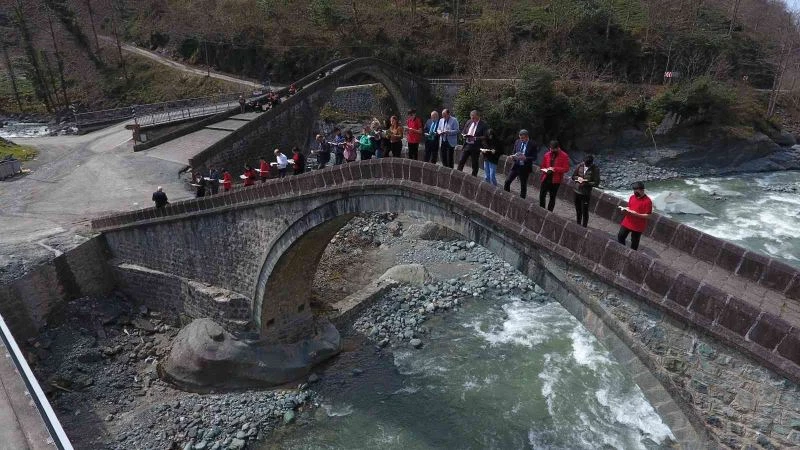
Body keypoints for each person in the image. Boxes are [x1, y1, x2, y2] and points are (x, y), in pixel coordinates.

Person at [617, 181, 653, 250]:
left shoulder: (648, 201)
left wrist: (637, 214)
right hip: (627, 221)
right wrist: (625, 209)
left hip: (638, 225)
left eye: (637, 190)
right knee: (620, 236)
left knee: (634, 242)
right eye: (634, 190)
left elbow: (648, 215)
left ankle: (632, 254)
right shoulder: (632, 197)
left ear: (642, 190)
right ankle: (622, 250)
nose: (635, 192)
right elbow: (630, 207)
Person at [504, 129, 537, 199]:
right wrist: (512, 157)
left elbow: (534, 157)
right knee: (507, 181)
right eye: (520, 138)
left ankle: (522, 201)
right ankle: (506, 197)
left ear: (527, 137)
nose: (521, 140)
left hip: (525, 167)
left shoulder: (533, 144)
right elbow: (514, 152)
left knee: (523, 185)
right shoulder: (517, 141)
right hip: (516, 165)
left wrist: (526, 158)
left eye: (523, 138)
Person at [539, 140, 571, 212]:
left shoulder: (564, 156)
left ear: (557, 148)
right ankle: (542, 210)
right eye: (550, 149)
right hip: (546, 178)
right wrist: (545, 170)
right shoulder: (547, 154)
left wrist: (555, 169)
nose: (551, 150)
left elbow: (566, 169)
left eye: (553, 149)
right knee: (541, 195)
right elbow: (542, 166)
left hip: (556, 180)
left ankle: (549, 212)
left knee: (552, 197)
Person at [571, 155, 601, 227]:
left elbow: (596, 183)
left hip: (585, 193)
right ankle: (578, 223)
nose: (586, 165)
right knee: (578, 209)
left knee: (585, 210)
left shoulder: (595, 169)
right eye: (585, 163)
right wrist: (578, 178)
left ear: (591, 163)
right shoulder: (580, 165)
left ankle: (584, 226)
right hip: (577, 191)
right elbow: (573, 176)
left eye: (588, 164)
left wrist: (587, 183)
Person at [458, 110, 488, 177]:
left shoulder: (483, 124)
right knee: (461, 160)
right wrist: (464, 135)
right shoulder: (469, 122)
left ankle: (474, 177)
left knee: (474, 163)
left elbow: (485, 136)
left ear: (478, 116)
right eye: (471, 117)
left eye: (473, 117)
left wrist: (475, 138)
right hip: (467, 145)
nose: (472, 119)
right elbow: (464, 130)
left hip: (475, 147)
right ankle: (458, 175)